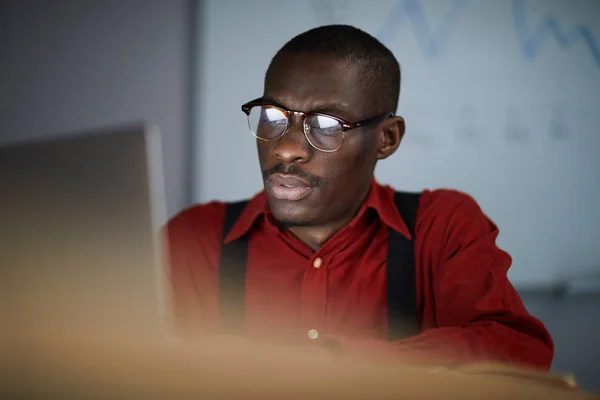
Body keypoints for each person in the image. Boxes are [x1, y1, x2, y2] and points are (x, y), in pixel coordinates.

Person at [165, 24, 553, 370]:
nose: (286, 149)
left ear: (387, 139)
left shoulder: (442, 226)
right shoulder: (193, 239)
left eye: (327, 125)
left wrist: (331, 362)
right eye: (273, 116)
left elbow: (518, 349)